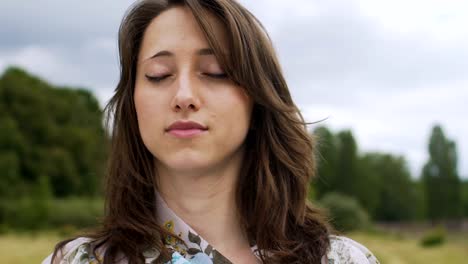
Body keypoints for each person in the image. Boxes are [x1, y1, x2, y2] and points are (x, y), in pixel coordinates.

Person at [43, 0, 380, 263]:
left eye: (215, 71)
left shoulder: (339, 260)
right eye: (159, 75)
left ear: (258, 98)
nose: (184, 96)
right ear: (132, 104)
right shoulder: (76, 261)